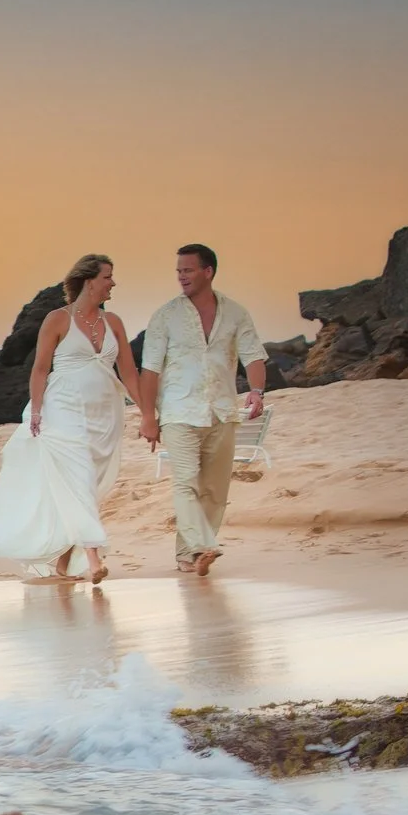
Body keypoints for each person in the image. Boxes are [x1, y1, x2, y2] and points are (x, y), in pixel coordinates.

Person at [0, 255, 150, 583]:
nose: (113, 283)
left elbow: (129, 374)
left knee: (83, 486)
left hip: (104, 415)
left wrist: (148, 414)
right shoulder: (57, 319)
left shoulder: (115, 324)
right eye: (108, 277)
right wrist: (37, 409)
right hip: (62, 409)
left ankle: (64, 563)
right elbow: (40, 369)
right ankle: (94, 558)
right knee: (78, 477)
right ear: (88, 280)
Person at [138, 243, 267, 576]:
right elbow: (150, 370)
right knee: (185, 483)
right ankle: (203, 545)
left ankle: (188, 556)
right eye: (179, 271)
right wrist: (149, 416)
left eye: (188, 270)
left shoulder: (236, 313)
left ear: (208, 271)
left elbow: (253, 355)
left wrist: (256, 391)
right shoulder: (165, 316)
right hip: (179, 412)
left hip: (222, 412)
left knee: (215, 491)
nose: (181, 277)